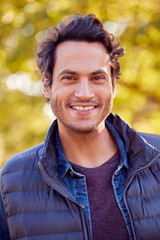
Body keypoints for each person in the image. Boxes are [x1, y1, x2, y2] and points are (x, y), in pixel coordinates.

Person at [0, 13, 160, 240]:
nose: (84, 94)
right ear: (47, 86)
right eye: (70, 78)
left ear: (113, 86)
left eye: (97, 78)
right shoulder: (11, 181)